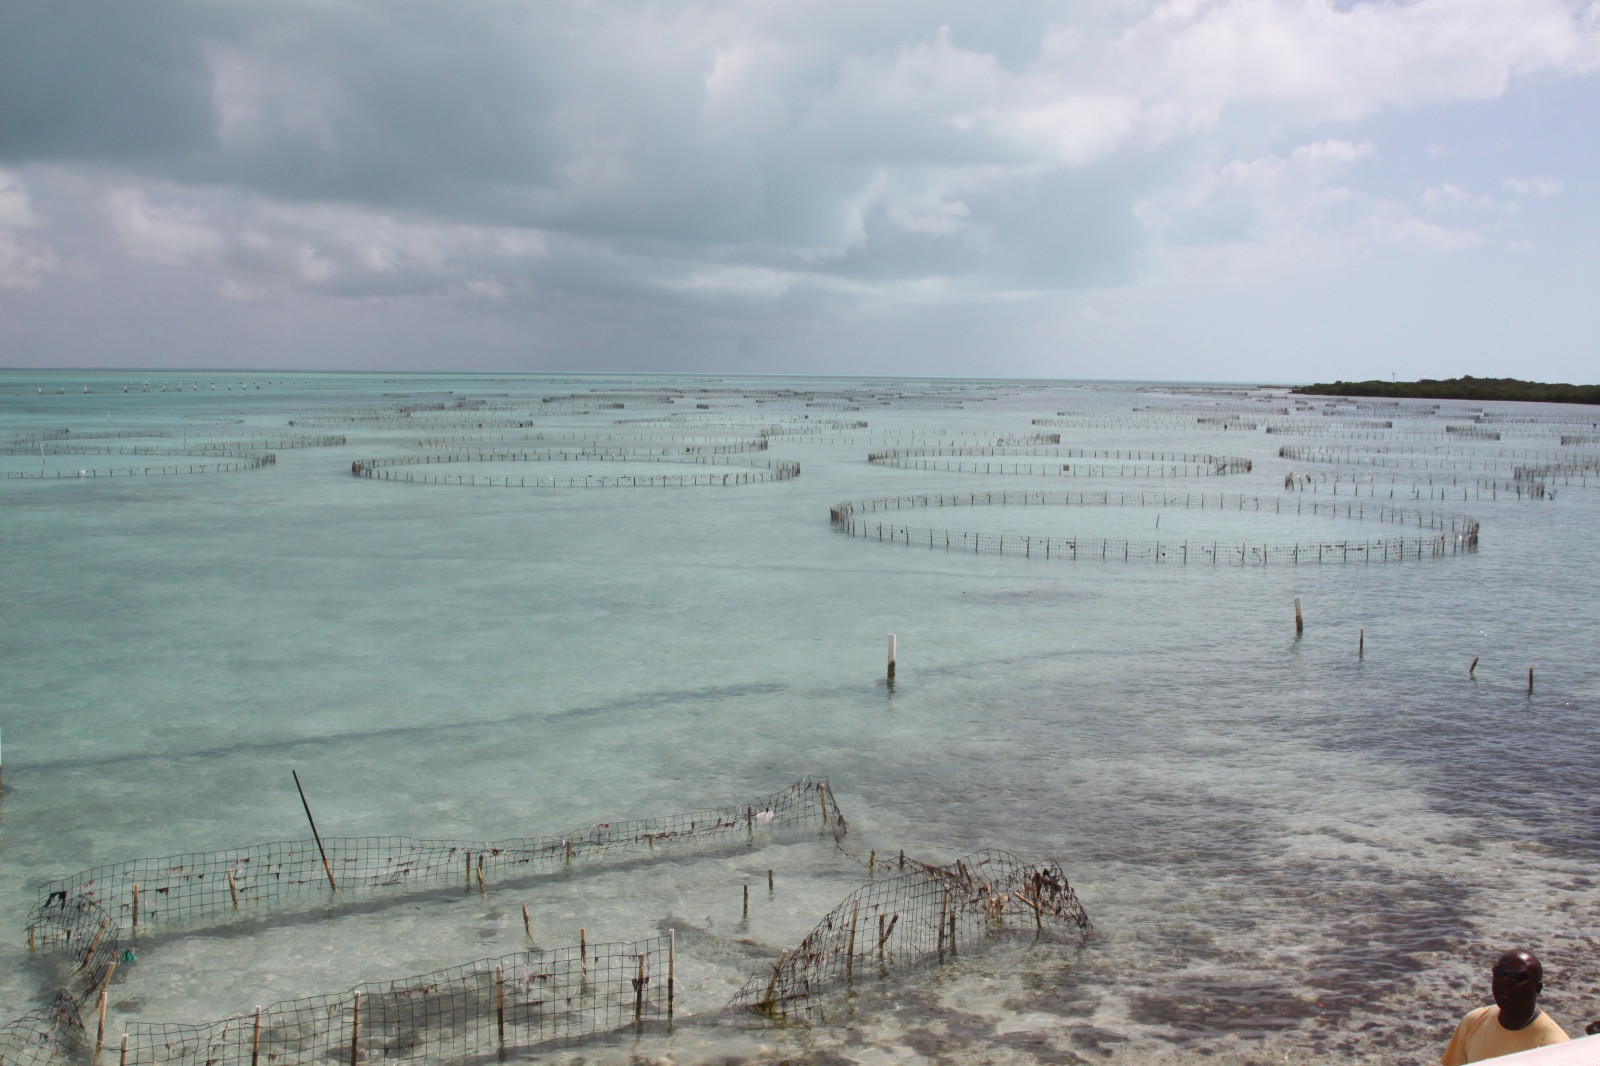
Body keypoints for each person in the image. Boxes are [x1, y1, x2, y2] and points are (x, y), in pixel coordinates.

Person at [1442, 948, 1570, 1064]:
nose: (1505, 980)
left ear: (1537, 988)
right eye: (1500, 972)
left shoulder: (1555, 1046)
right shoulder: (1473, 1021)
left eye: (1517, 976)